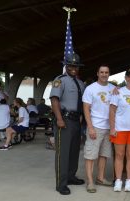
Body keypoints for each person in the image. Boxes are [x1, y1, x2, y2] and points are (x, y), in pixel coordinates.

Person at [50, 53, 86, 195]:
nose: (73, 68)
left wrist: (82, 116)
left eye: (76, 66)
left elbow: (82, 103)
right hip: (64, 120)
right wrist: (59, 119)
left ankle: (71, 177)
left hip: (77, 121)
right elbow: (54, 99)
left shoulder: (81, 83)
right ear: (66, 65)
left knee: (74, 151)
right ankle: (61, 183)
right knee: (63, 153)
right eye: (71, 65)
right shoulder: (60, 80)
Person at [82, 64, 115, 193]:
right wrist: (90, 127)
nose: (104, 74)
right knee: (90, 155)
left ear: (109, 74)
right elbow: (86, 109)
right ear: (97, 73)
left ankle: (100, 178)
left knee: (104, 154)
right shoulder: (90, 89)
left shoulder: (113, 88)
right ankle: (90, 181)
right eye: (102, 72)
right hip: (95, 126)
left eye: (106, 72)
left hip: (108, 127)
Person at [109, 68, 130, 192]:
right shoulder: (118, 92)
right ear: (125, 78)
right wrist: (112, 128)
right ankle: (118, 180)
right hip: (120, 129)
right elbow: (112, 110)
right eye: (129, 77)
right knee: (119, 155)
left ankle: (129, 181)